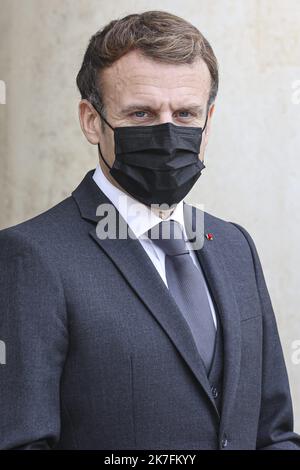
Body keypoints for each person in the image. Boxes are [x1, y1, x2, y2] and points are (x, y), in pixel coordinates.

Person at [0, 10, 299, 450]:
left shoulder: (235, 246)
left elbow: (273, 434)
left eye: (185, 114)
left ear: (208, 122)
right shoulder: (31, 256)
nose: (166, 133)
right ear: (91, 120)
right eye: (141, 114)